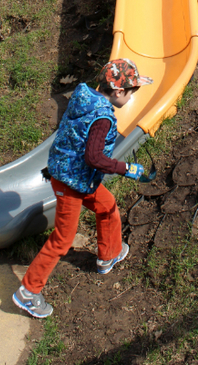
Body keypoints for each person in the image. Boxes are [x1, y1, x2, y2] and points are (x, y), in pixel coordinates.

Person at [12, 57, 153, 318]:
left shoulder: (84, 97)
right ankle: (28, 292)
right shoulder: (102, 118)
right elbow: (94, 159)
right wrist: (126, 168)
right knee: (62, 239)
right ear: (118, 92)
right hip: (71, 182)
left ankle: (108, 255)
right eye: (131, 92)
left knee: (106, 205)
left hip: (73, 174)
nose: (132, 97)